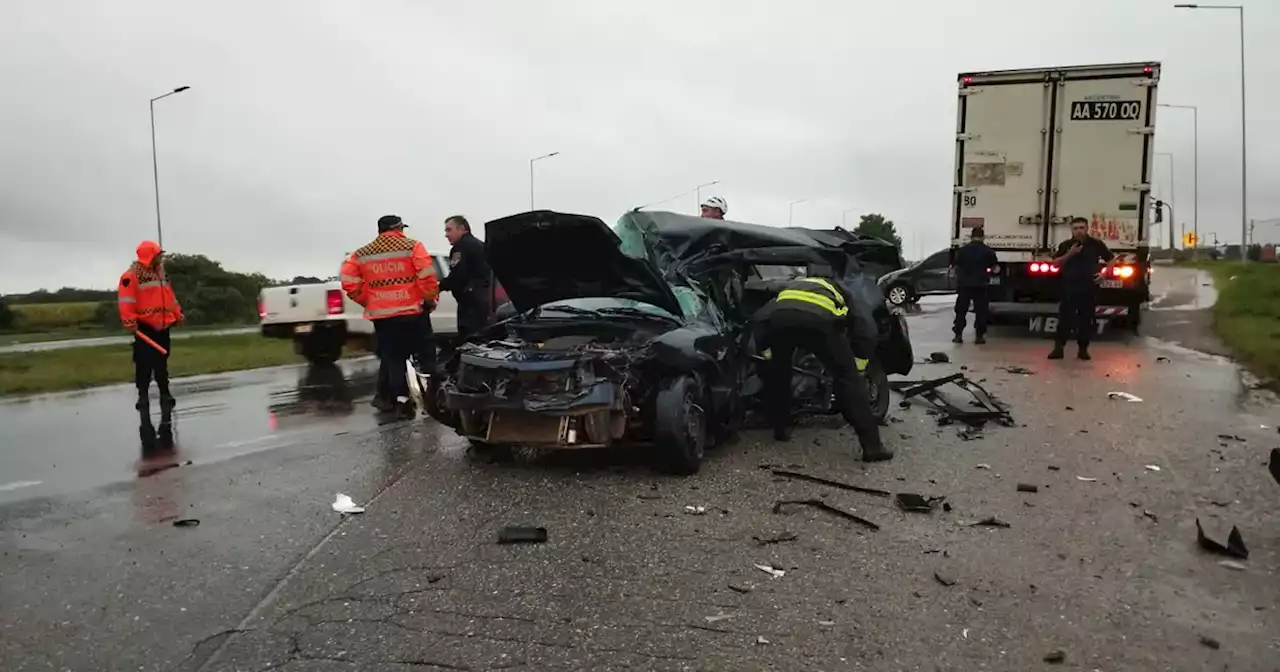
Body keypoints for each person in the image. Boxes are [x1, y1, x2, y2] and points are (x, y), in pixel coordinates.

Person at [750, 275, 892, 462]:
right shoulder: (843, 290)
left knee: (779, 375)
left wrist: (768, 356)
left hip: (781, 321)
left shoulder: (791, 288)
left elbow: (760, 318)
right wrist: (858, 366)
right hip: (820, 322)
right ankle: (872, 447)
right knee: (848, 381)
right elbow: (865, 328)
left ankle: (780, 429)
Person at [340, 215, 439, 418]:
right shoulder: (413, 246)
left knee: (393, 358)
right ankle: (433, 396)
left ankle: (401, 400)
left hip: (383, 316)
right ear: (398, 228)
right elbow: (427, 276)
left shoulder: (362, 253)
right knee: (426, 353)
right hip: (414, 312)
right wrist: (429, 299)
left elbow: (348, 281)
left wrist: (368, 299)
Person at [118, 240, 183, 412]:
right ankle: (143, 396)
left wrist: (177, 314)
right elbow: (126, 302)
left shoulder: (161, 273)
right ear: (149, 256)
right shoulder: (131, 276)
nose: (161, 258)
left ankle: (165, 393)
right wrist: (130, 322)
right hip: (144, 327)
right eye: (158, 255)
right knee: (144, 363)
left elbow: (170, 296)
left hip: (163, 326)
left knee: (162, 363)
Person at [1049, 216, 1118, 361]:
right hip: (1069, 286)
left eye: (1082, 228)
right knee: (1065, 319)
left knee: (1086, 320)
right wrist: (1070, 254)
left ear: (1087, 229)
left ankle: (1083, 350)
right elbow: (1055, 263)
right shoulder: (1066, 245)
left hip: (1089, 286)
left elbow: (1111, 260)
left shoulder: (1096, 244)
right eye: (1076, 228)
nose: (1079, 231)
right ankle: (1058, 348)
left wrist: (1104, 275)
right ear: (1071, 231)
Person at [440, 215, 492, 340]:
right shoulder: (480, 245)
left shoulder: (461, 247)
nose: (446, 235)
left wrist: (438, 287)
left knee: (469, 340)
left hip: (470, 304)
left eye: (449, 230)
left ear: (461, 229)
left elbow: (457, 276)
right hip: (484, 301)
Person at [951, 227, 998, 344]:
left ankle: (958, 335)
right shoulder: (989, 252)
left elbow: (955, 267)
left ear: (971, 236)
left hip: (964, 285)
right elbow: (995, 269)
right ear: (983, 237)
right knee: (981, 311)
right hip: (980, 285)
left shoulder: (962, 251)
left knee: (961, 311)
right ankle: (979, 336)